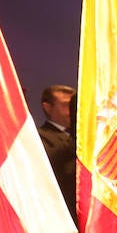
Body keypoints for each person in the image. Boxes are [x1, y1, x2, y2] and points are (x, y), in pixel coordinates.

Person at [37, 84, 78, 225]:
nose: (71, 112)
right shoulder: (39, 136)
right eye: (66, 106)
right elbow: (48, 160)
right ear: (48, 108)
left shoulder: (84, 137)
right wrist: (77, 136)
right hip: (59, 214)